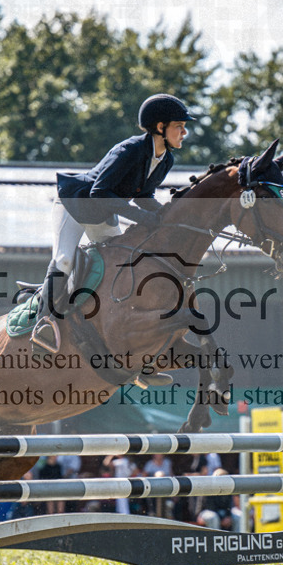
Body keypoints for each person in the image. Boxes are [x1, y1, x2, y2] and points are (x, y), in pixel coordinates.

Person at [31, 93, 195, 365]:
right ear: (159, 128)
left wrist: (169, 215)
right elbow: (98, 191)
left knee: (121, 264)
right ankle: (44, 323)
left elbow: (144, 195)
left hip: (102, 213)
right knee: (64, 259)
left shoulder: (165, 160)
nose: (185, 131)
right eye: (179, 125)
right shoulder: (129, 150)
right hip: (75, 204)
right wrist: (140, 217)